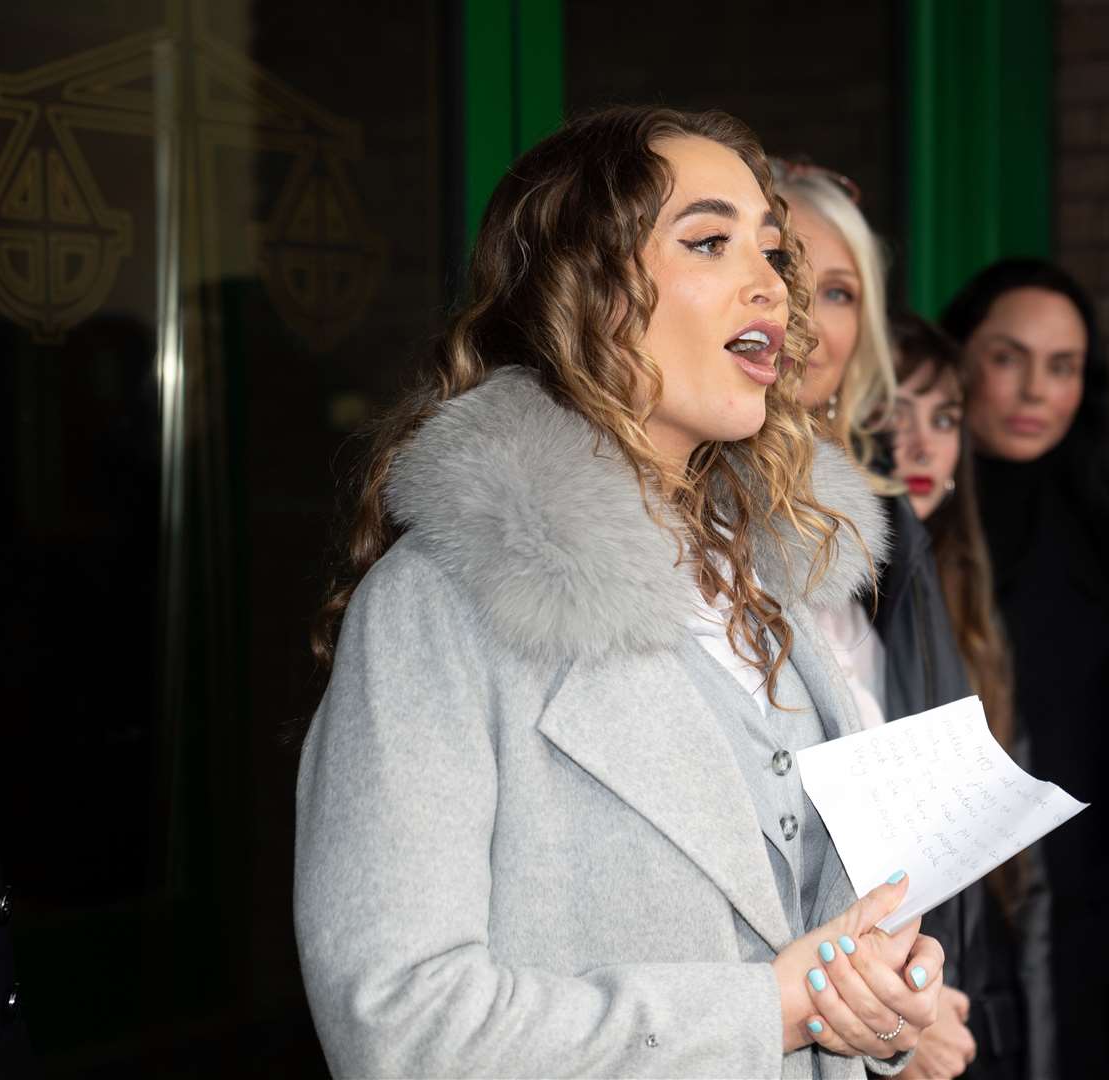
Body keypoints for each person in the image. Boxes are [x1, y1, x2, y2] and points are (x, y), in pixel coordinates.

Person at [293, 106, 945, 1078]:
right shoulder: (436, 605)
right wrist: (764, 1010)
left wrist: (877, 999)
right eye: (711, 241)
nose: (771, 281)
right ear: (585, 291)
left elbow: (816, 941)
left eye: (772, 251)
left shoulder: (780, 580)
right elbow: (398, 1023)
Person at [769, 160, 978, 1080]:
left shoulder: (886, 523)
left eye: (842, 291)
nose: (809, 314)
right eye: (784, 271)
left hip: (897, 992)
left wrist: (926, 993)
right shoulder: (677, 519)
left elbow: (934, 778)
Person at [941, 259, 1109, 1079]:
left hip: (1096, 920)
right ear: (959, 361)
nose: (1037, 389)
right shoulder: (913, 523)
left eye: (1063, 366)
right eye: (1009, 358)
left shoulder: (1103, 527)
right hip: (960, 922)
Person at [886, 312, 1056, 1080]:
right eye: (894, 414)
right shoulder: (834, 597)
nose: (921, 445)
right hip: (886, 1003)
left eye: (944, 418)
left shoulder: (966, 594)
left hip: (972, 991)